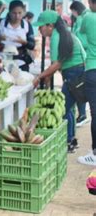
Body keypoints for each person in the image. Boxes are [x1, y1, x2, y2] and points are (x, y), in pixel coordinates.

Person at [32, 10, 85, 153]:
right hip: (77, 71)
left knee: (62, 109)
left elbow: (57, 64)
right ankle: (71, 140)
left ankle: (67, 142)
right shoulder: (65, 33)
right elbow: (64, 60)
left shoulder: (56, 36)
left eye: (41, 26)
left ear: (50, 26)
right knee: (69, 109)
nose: (39, 30)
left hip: (73, 73)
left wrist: (39, 77)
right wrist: (48, 76)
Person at [78, 0, 96, 166]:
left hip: (93, 69)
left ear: (91, 2)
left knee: (95, 112)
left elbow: (81, 32)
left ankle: (95, 154)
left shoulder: (89, 17)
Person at [0, 0, 35, 71]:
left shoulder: (26, 25)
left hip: (21, 60)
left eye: (20, 13)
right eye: (14, 13)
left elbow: (32, 45)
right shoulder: (1, 23)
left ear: (23, 12)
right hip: (3, 59)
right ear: (9, 12)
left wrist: (23, 42)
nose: (17, 16)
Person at [70, 0, 90, 126]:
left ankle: (82, 114)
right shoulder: (85, 17)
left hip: (83, 57)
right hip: (85, 57)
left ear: (75, 10)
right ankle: (82, 113)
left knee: (78, 87)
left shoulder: (82, 19)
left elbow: (82, 39)